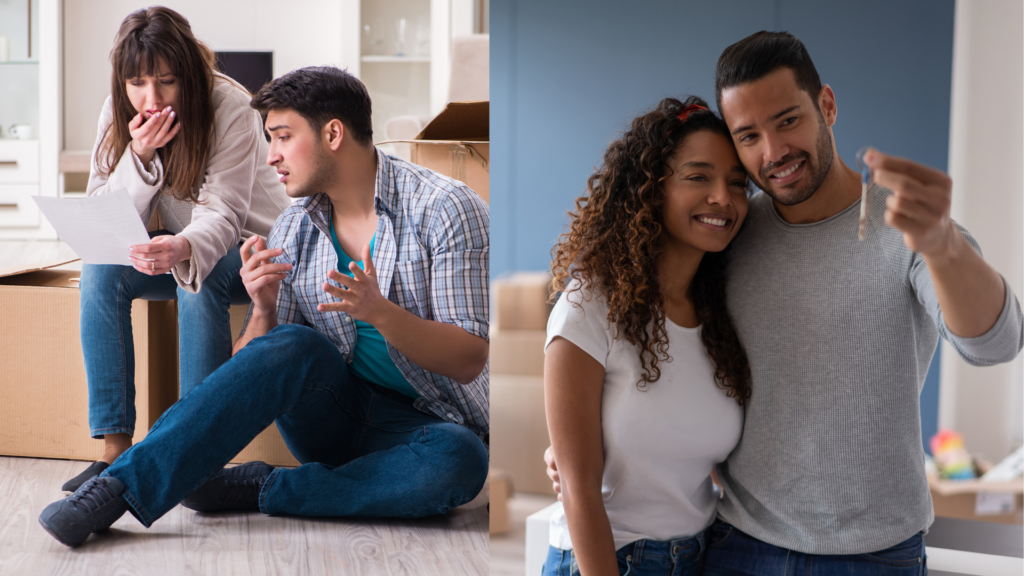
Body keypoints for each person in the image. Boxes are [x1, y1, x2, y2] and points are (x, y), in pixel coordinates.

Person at [546, 31, 1023, 574]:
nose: (772, 152)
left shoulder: (912, 233)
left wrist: (942, 246)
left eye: (787, 120)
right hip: (737, 545)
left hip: (874, 555)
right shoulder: (730, 236)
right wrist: (580, 452)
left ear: (827, 105)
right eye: (747, 135)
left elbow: (996, 345)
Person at [38, 66, 490, 549]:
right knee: (292, 341)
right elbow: (259, 373)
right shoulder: (295, 225)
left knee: (459, 462)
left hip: (427, 426)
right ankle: (113, 490)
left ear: (333, 133)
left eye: (282, 137)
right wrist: (263, 308)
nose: (271, 156)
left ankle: (256, 487)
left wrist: (381, 313)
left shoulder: (446, 209)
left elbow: (468, 360)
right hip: (332, 415)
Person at [64, 7, 290, 493]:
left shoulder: (230, 104)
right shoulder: (118, 111)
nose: (151, 100)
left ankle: (194, 453)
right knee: (101, 268)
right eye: (137, 84)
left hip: (249, 248)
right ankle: (114, 452)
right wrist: (139, 156)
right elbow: (102, 213)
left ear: (188, 72)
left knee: (199, 274)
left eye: (167, 82)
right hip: (172, 246)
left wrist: (183, 246)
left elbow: (225, 213)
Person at [542, 97, 752, 576]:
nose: (723, 196)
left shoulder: (720, 316)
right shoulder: (588, 306)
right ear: (650, 190)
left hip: (702, 557)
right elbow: (578, 490)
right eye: (698, 176)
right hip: (608, 560)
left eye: (737, 183)